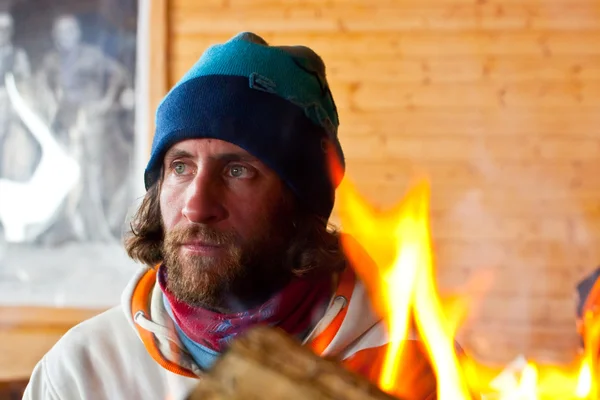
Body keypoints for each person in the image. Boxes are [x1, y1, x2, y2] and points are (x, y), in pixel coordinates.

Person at [23, 32, 437, 400]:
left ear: (300, 201)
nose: (197, 206)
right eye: (181, 167)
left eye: (238, 171)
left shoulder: (406, 364)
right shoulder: (84, 372)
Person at [36, 14, 130, 245]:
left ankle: (97, 229)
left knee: (92, 173)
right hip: (64, 124)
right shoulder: (52, 61)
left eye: (70, 31)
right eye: (61, 32)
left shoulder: (91, 56)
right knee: (64, 174)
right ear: (55, 37)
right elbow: (42, 84)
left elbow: (119, 73)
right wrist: (50, 103)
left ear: (77, 33)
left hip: (91, 121)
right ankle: (67, 227)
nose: (66, 36)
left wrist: (106, 102)